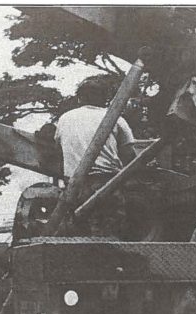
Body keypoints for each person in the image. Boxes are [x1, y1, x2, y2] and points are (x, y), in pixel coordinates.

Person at [54, 75, 137, 236]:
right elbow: (129, 156)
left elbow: (58, 149)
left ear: (79, 98)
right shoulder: (116, 119)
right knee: (110, 231)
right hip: (106, 182)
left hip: (74, 186)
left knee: (80, 233)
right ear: (105, 98)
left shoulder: (65, 119)